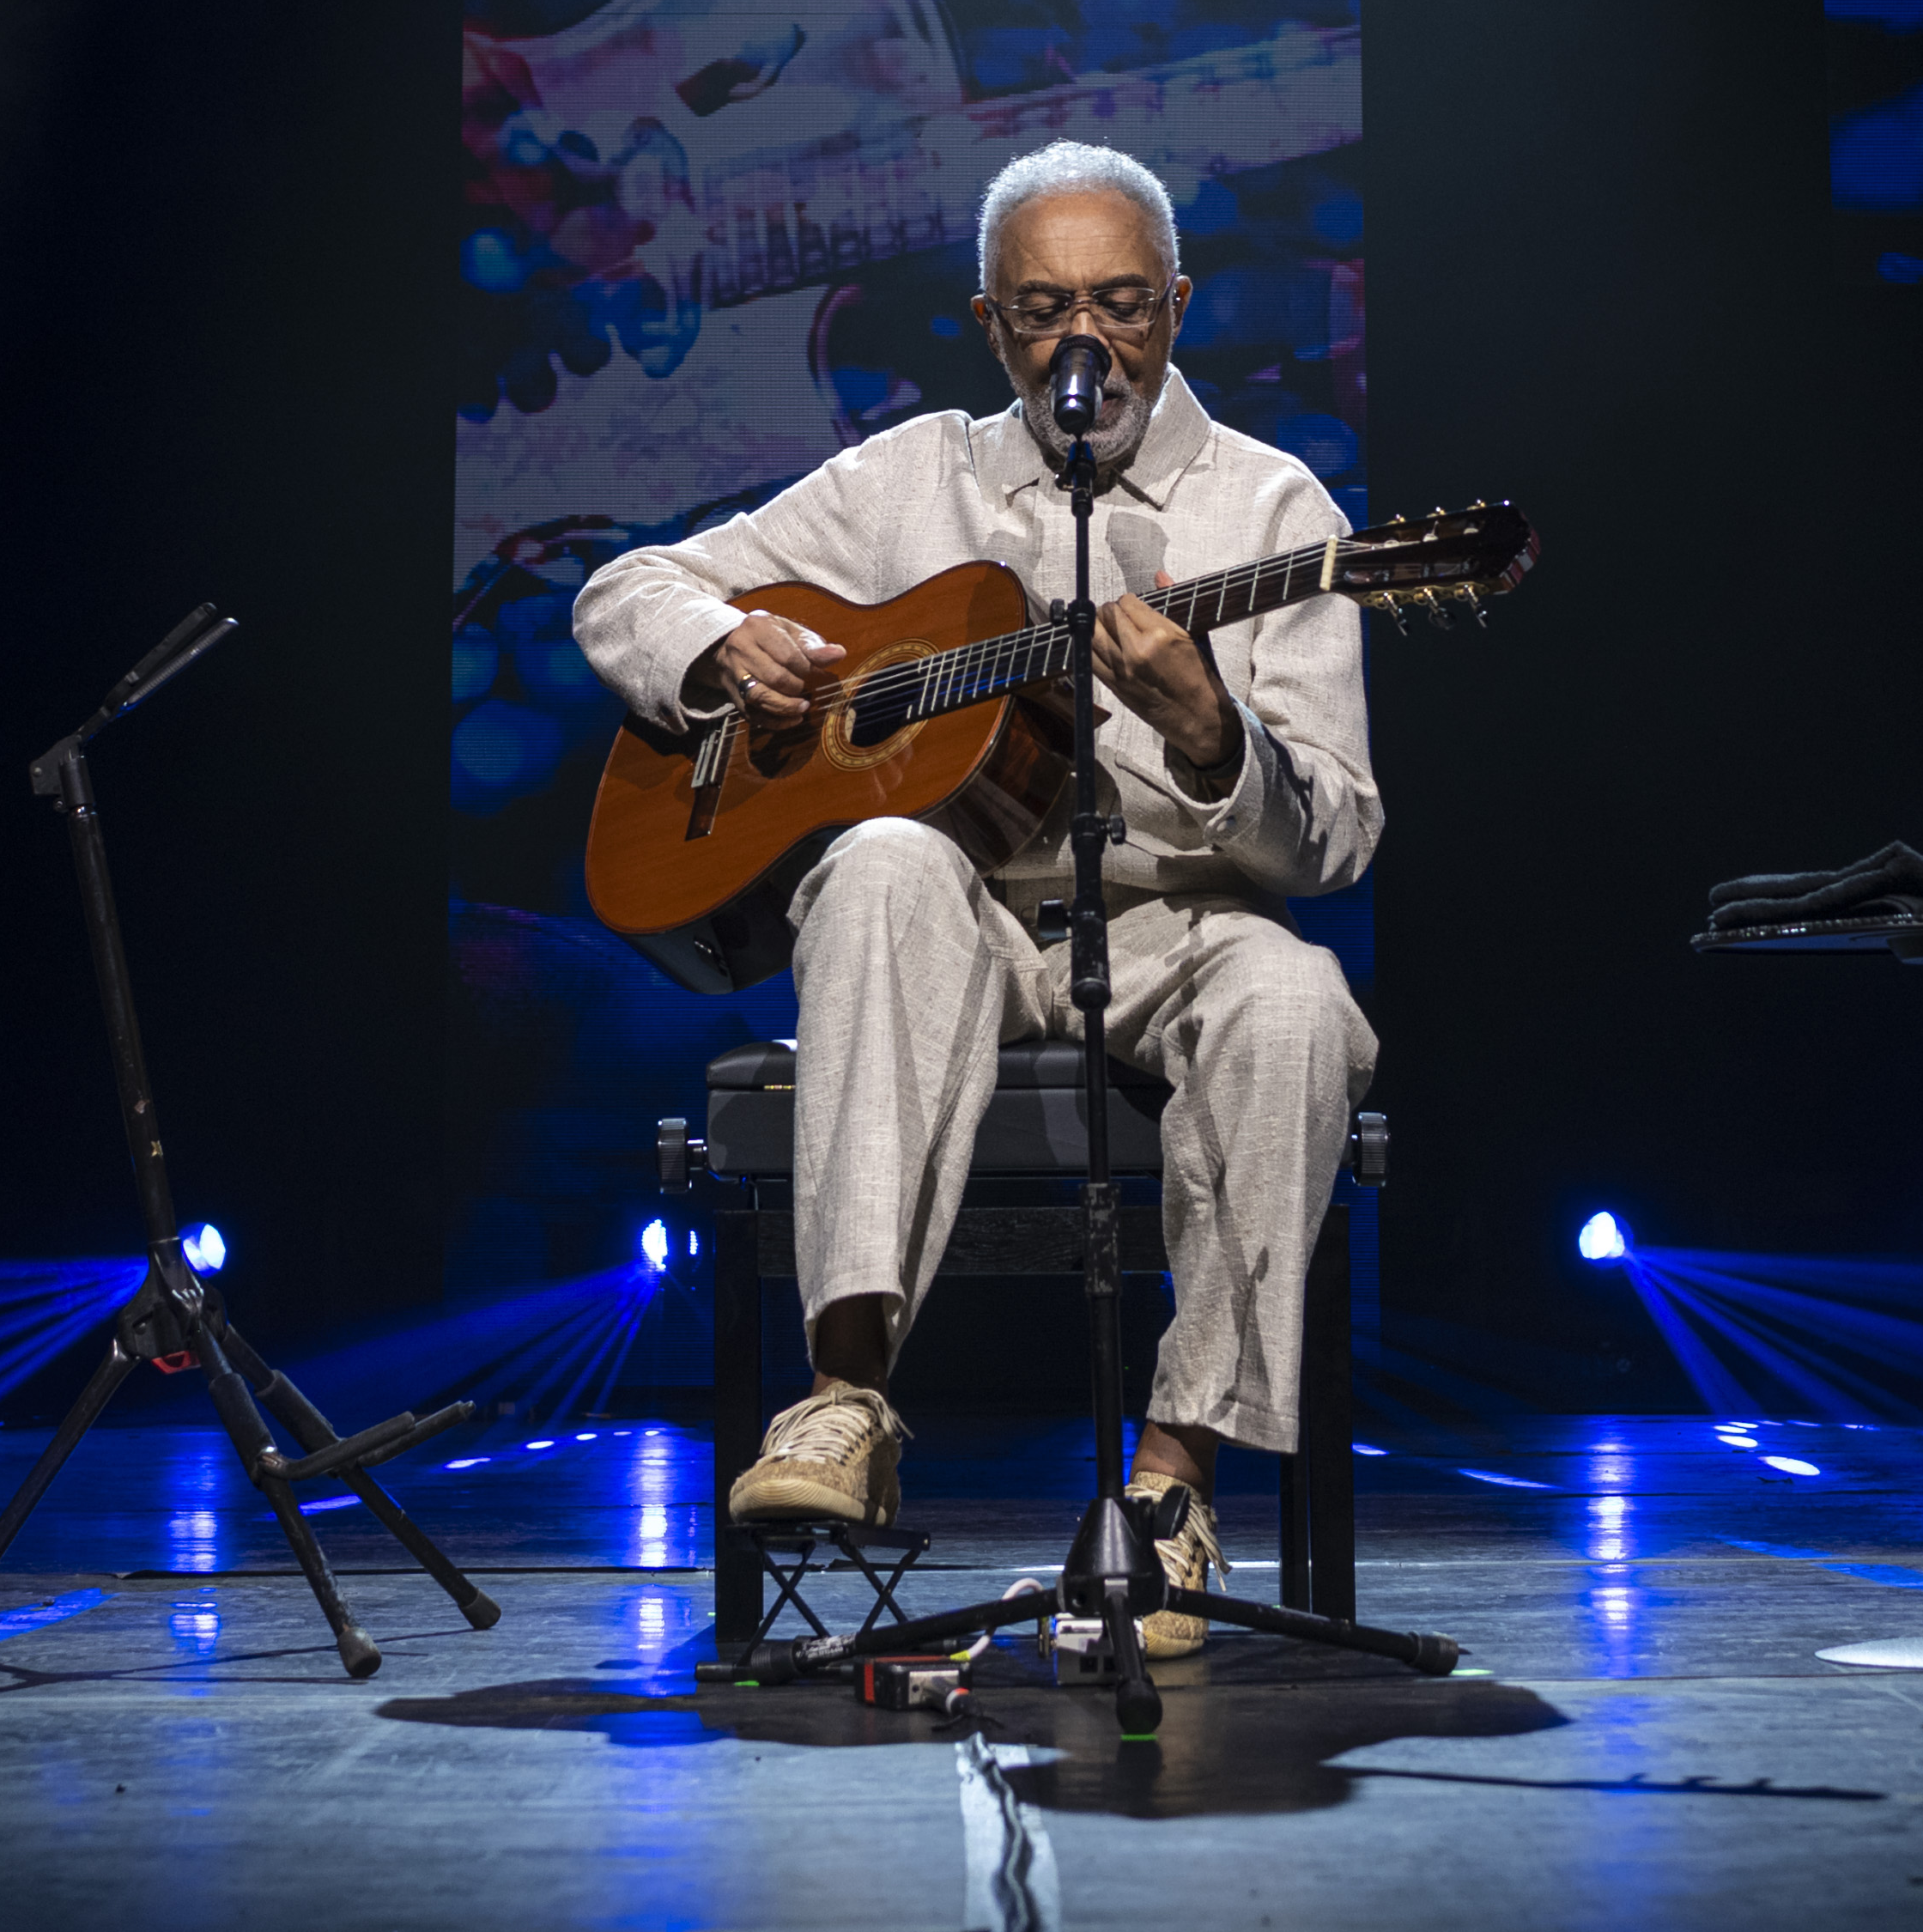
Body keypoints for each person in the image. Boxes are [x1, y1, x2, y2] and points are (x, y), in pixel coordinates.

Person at [570, 141, 1378, 1656]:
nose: (1089, 342)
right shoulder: (905, 479)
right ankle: (844, 1400)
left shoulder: (1275, 507)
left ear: (1178, 305)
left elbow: (1335, 837)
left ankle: (1172, 1477)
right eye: (1047, 308)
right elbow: (623, 592)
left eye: (1121, 303)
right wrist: (719, 645)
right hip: (960, 918)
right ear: (991, 324)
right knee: (880, 857)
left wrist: (1214, 734)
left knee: (1298, 999)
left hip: (1179, 925)